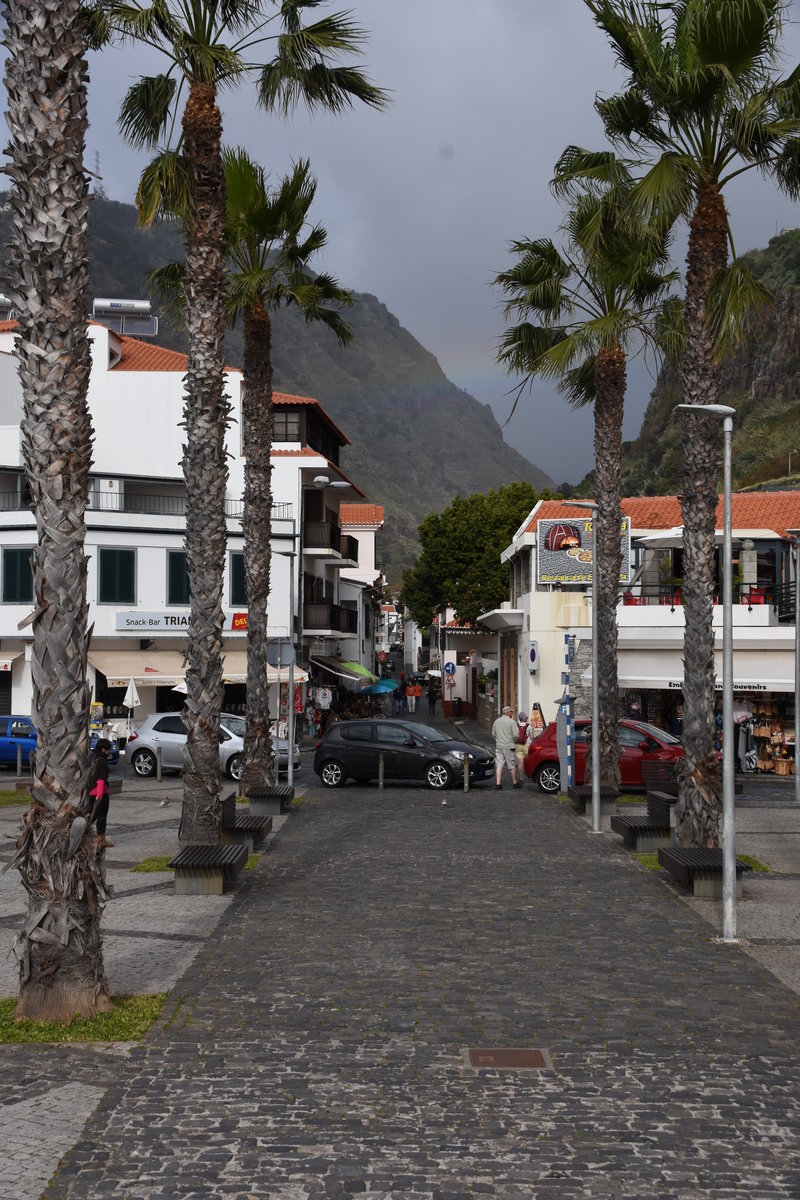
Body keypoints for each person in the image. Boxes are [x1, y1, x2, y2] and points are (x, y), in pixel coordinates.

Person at [89, 737, 113, 849]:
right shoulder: (103, 761)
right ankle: (100, 839)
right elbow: (101, 779)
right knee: (102, 816)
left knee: (91, 815)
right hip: (101, 792)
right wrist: (100, 795)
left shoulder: (94, 759)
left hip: (91, 791)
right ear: (103, 750)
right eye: (108, 750)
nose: (109, 752)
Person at [492, 705, 522, 790]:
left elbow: (493, 734)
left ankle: (498, 784)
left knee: (499, 764)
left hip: (499, 746)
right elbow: (516, 735)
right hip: (509, 746)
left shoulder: (496, 721)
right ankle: (514, 783)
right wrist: (514, 741)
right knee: (511, 765)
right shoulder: (511, 722)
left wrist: (498, 740)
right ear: (508, 713)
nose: (512, 713)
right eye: (511, 712)